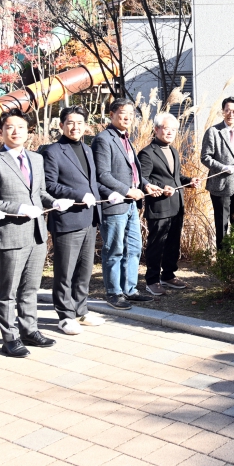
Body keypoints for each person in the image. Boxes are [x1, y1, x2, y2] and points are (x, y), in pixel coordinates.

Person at [0, 109, 73, 357]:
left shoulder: (36, 159)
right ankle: (9, 338)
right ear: (1, 131)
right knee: (8, 290)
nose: (16, 131)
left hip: (37, 233)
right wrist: (18, 209)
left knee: (31, 287)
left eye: (20, 127)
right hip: (11, 234)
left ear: (28, 130)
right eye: (9, 127)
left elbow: (39, 193)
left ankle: (30, 330)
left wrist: (55, 201)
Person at [42, 105, 106, 335]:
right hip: (67, 219)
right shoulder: (52, 151)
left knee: (84, 269)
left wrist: (111, 193)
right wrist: (79, 196)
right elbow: (49, 185)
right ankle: (65, 315)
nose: (75, 127)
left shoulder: (88, 150)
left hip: (89, 219)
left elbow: (92, 183)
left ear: (86, 126)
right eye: (70, 122)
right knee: (65, 270)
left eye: (79, 122)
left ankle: (81, 310)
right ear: (61, 125)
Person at [94, 98, 162, 309]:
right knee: (114, 249)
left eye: (131, 115)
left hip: (132, 203)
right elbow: (102, 174)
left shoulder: (125, 138)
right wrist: (127, 190)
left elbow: (132, 171)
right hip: (115, 203)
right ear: (112, 114)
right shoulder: (103, 139)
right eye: (123, 113)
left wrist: (145, 185)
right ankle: (114, 292)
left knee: (133, 248)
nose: (127, 117)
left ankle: (130, 290)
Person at [138, 112, 200, 296]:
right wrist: (159, 187)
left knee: (173, 243)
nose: (171, 132)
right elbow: (143, 179)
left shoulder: (173, 150)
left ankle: (168, 275)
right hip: (159, 206)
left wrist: (189, 181)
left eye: (174, 129)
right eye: (167, 129)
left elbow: (176, 177)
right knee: (157, 243)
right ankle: (152, 280)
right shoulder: (147, 153)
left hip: (176, 205)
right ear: (156, 129)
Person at [201, 97, 234, 250]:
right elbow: (205, 157)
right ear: (222, 112)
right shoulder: (214, 131)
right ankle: (224, 263)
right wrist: (223, 167)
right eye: (227, 110)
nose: (231, 114)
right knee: (222, 224)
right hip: (221, 185)